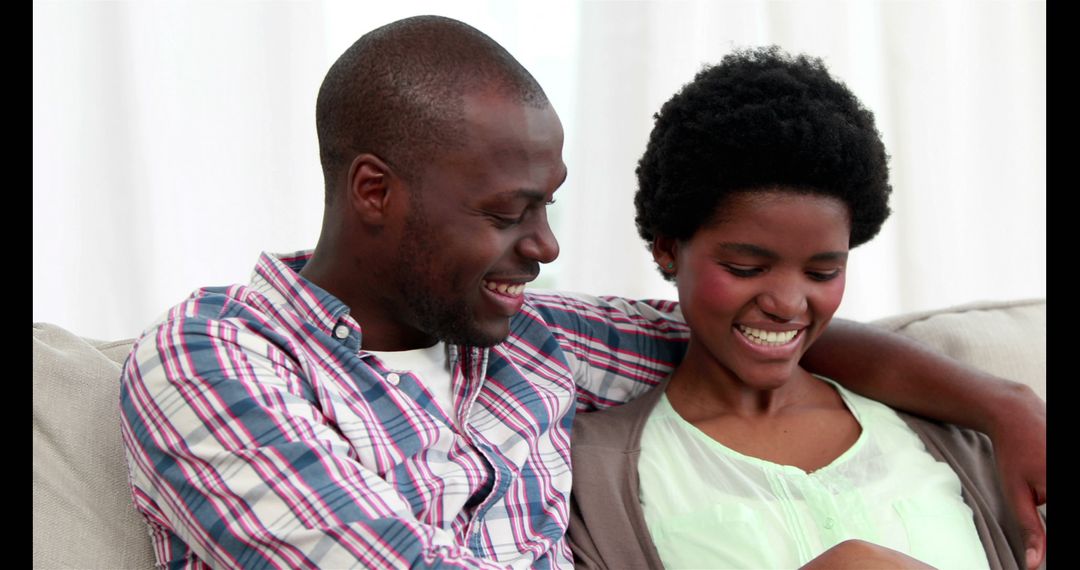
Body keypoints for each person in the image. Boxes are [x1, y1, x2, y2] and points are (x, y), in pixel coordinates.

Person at [118, 15, 1045, 570]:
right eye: (509, 211)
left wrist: (1004, 407)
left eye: (548, 206)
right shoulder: (216, 355)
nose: (546, 244)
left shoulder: (525, 337)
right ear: (374, 191)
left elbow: (756, 324)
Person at [567, 47, 1044, 569]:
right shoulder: (596, 476)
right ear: (666, 247)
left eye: (823, 273)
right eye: (746, 268)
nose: (790, 304)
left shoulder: (954, 439)